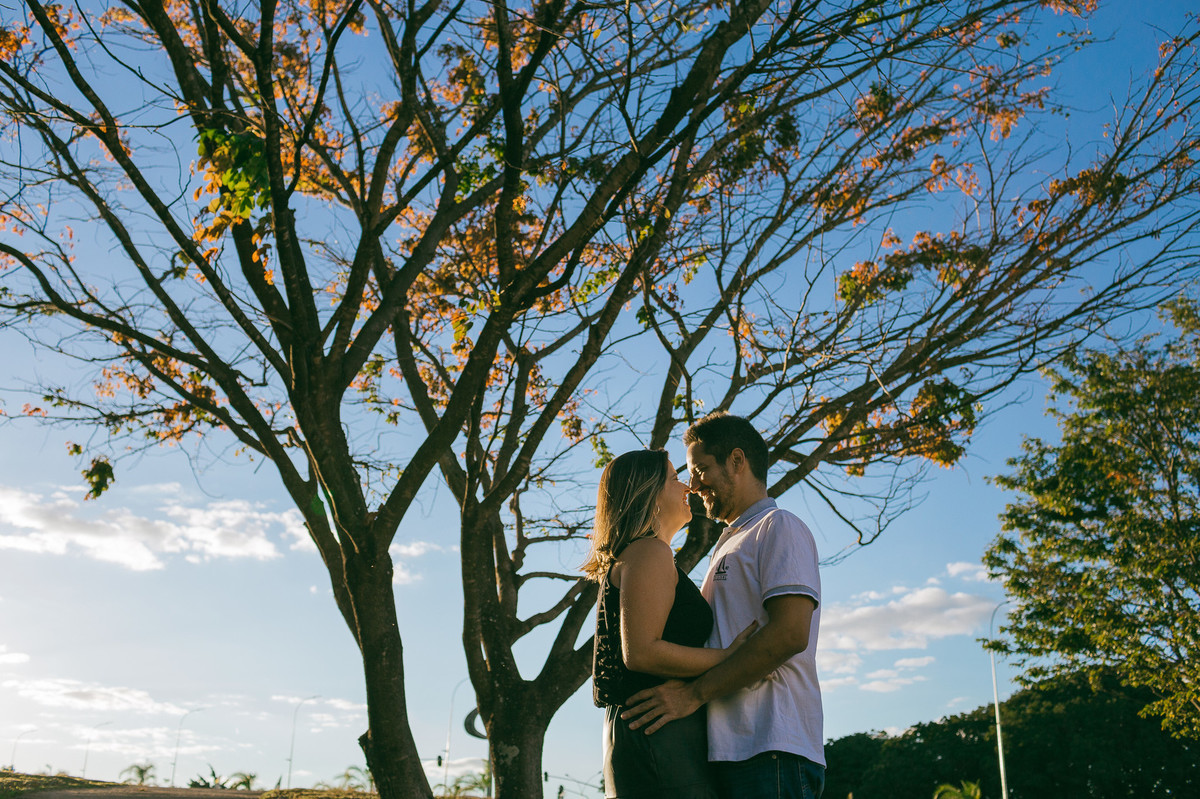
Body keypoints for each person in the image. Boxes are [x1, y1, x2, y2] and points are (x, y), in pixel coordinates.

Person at [621, 413, 825, 799]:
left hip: (772, 748)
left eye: (701, 469)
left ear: (736, 460)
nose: (693, 484)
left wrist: (692, 695)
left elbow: (789, 634)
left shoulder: (779, 526)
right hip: (728, 753)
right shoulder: (728, 544)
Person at [583, 449, 757, 799]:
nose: (688, 488)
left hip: (649, 728)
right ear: (649, 492)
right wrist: (731, 657)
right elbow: (643, 653)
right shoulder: (649, 552)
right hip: (657, 733)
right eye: (675, 478)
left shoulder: (641, 553)